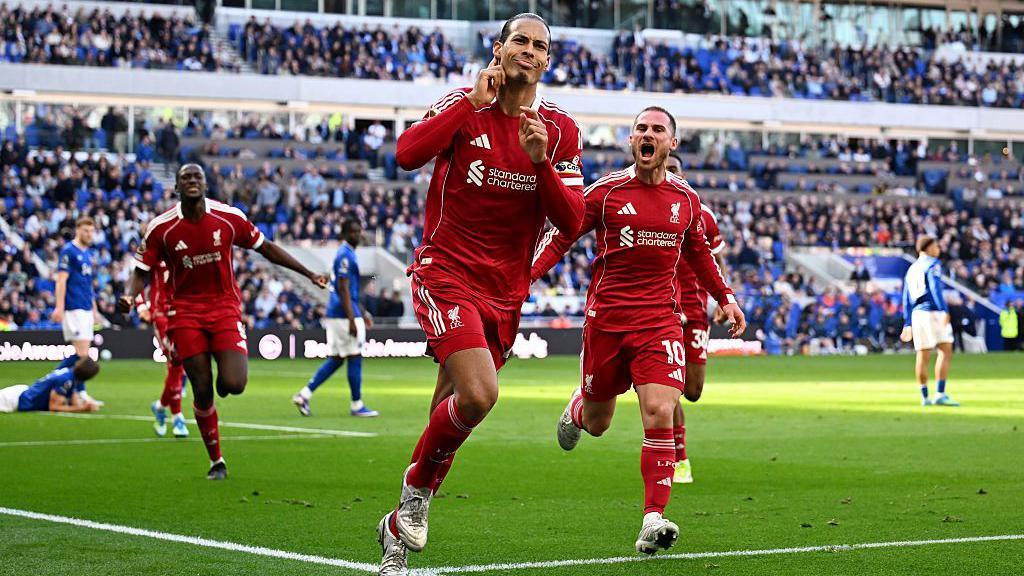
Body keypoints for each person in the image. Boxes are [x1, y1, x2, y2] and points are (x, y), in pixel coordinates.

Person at [376, 13, 586, 575]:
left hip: (504, 292)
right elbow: (406, 155)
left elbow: (571, 221)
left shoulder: (559, 130)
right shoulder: (462, 105)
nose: (529, 51)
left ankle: (398, 534)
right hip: (445, 272)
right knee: (478, 396)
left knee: (447, 410)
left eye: (539, 46)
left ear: (547, 61)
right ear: (499, 49)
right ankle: (412, 505)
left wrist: (542, 164)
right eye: (520, 40)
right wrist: (468, 104)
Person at [532, 107, 745, 555]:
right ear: (631, 141)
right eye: (641, 129)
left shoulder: (685, 201)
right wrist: (527, 276)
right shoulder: (606, 193)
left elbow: (700, 254)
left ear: (672, 144)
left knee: (660, 409)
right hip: (607, 322)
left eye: (658, 130)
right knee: (598, 422)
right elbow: (563, 234)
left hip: (659, 322)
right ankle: (578, 407)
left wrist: (725, 297)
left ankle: (653, 517)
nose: (648, 135)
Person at [118, 164, 328, 480]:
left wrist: (309, 274)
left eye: (197, 177)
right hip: (184, 313)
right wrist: (130, 297)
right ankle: (217, 461)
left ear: (205, 184)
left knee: (233, 384)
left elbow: (267, 248)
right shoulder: (162, 229)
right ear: (176, 187)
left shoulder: (228, 218)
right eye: (185, 178)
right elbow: (141, 270)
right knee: (202, 390)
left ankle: (220, 373)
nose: (191, 181)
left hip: (224, 309)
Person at [664, 152, 729, 484]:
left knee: (693, 389)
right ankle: (678, 456)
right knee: (670, 386)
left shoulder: (702, 214)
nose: (671, 173)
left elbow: (716, 259)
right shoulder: (652, 208)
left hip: (696, 309)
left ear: (684, 172)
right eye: (667, 168)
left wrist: (723, 296)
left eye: (676, 168)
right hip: (664, 309)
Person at [293, 219, 378, 417]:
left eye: (359, 231)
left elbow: (350, 290)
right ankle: (357, 404)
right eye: (354, 232)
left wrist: (362, 313)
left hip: (340, 313)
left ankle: (304, 395)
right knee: (354, 356)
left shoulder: (345, 254)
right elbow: (343, 288)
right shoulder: (345, 255)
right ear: (346, 233)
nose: (358, 235)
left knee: (338, 359)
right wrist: (351, 318)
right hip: (342, 315)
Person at [50, 216, 103, 406]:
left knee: (82, 354)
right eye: (86, 231)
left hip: (85, 308)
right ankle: (77, 392)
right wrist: (59, 306)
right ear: (78, 230)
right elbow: (61, 280)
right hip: (73, 308)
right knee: (82, 356)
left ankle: (61, 383)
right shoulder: (68, 251)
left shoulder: (88, 253)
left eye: (91, 231)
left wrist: (94, 309)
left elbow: (88, 285)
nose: (89, 234)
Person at [900, 236, 958, 406]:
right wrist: (944, 310)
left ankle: (924, 397)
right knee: (945, 350)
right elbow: (934, 288)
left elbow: (905, 297)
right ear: (930, 247)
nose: (938, 249)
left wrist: (907, 322)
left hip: (917, 315)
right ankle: (940, 393)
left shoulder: (911, 269)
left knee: (922, 355)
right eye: (936, 246)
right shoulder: (932, 265)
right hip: (932, 311)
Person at [136, 255, 189, 439]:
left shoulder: (187, 248)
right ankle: (177, 417)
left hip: (184, 313)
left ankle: (161, 407)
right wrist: (141, 306)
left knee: (178, 365)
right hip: (161, 315)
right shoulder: (156, 247)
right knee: (177, 363)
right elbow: (137, 276)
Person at [0, 358, 101, 414]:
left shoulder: (70, 375)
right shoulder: (66, 379)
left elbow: (72, 401)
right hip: (14, 400)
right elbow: (54, 407)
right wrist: (82, 408)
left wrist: (84, 404)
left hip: (21, 394)